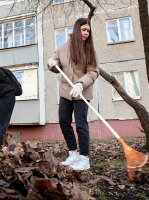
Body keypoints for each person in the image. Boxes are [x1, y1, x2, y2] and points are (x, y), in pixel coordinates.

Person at [47, 18, 99, 170]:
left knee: (81, 124)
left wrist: (80, 84)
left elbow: (94, 72)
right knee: (64, 121)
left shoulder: (89, 50)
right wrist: (51, 64)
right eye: (84, 30)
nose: (86, 33)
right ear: (77, 30)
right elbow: (57, 66)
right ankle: (73, 154)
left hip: (82, 92)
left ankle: (84, 158)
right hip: (66, 91)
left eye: (88, 31)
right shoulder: (63, 48)